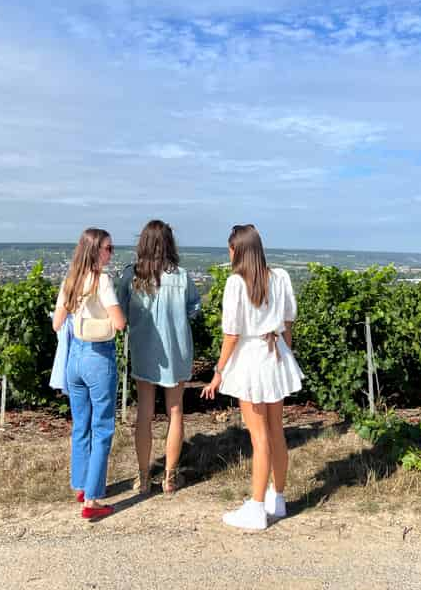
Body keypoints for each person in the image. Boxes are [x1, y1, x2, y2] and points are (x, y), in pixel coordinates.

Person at [201, 224, 303, 530]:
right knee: (276, 432)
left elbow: (232, 334)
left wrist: (218, 373)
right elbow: (288, 324)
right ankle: (278, 499)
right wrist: (286, 355)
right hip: (276, 355)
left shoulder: (236, 283)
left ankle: (257, 508)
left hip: (252, 361)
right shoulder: (281, 277)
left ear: (237, 250)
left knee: (259, 439)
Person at [117, 220, 201, 495]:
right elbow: (194, 308)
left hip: (144, 351)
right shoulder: (182, 277)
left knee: (144, 413)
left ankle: (143, 478)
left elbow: (121, 313)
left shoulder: (131, 276)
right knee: (175, 411)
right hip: (177, 351)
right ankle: (170, 477)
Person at [53, 228, 126, 519]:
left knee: (80, 425)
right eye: (108, 248)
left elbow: (58, 322)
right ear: (95, 251)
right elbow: (119, 323)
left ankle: (81, 485)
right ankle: (92, 501)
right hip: (99, 357)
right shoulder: (102, 281)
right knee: (103, 427)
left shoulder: (70, 280)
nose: (111, 253)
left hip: (75, 359)